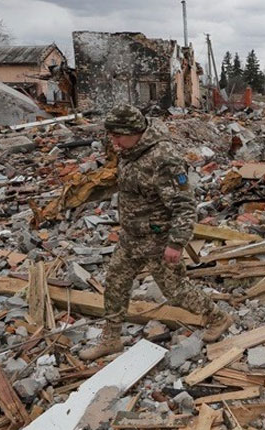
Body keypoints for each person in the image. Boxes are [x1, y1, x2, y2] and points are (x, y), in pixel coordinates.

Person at [79, 104, 233, 361]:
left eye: (118, 136)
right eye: (112, 136)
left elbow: (184, 205)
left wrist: (176, 243)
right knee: (115, 283)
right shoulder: (130, 151)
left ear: (135, 131)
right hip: (131, 239)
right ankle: (111, 339)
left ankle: (218, 317)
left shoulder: (164, 158)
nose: (113, 142)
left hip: (158, 241)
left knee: (175, 291)